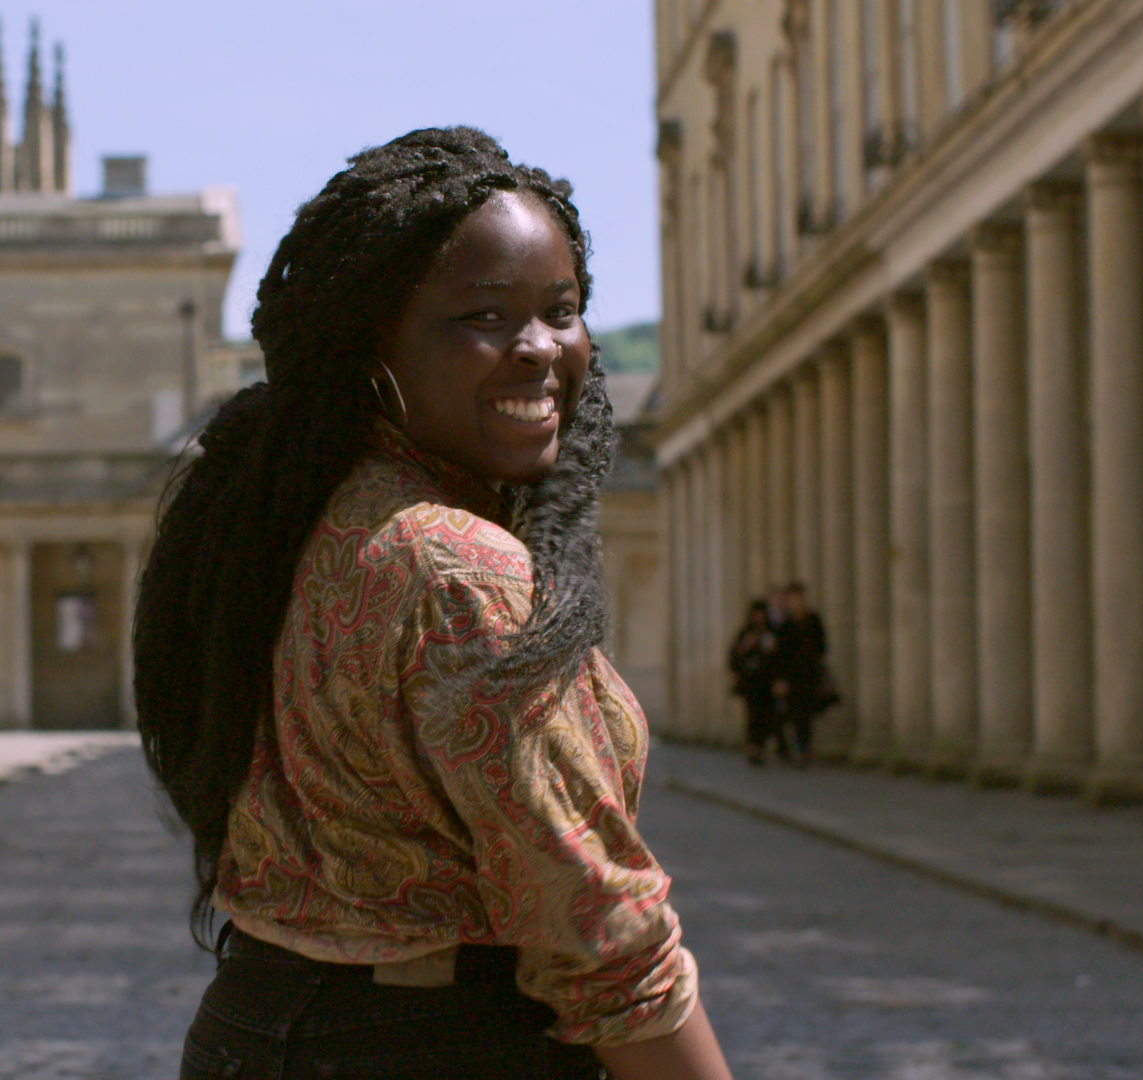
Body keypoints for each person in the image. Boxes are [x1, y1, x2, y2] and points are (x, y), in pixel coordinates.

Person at [133, 128, 732, 1080]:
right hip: (440, 1044)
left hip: (252, 1030)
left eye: (562, 311)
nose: (539, 349)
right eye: (483, 316)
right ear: (372, 341)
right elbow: (602, 936)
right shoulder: (460, 569)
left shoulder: (287, 518)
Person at [771, 582, 829, 766]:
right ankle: (798, 749)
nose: (796, 601)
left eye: (799, 597)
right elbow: (780, 654)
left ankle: (804, 749)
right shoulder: (786, 624)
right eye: (793, 598)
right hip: (792, 677)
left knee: (806, 713)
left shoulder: (812, 619)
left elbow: (821, 645)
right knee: (795, 713)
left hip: (809, 674)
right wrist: (781, 679)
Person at [728, 600, 780, 765]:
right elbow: (734, 655)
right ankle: (753, 748)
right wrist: (746, 647)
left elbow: (778, 657)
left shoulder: (770, 632)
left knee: (767, 716)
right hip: (750, 683)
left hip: (766, 682)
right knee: (752, 716)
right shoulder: (746, 633)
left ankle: (761, 747)